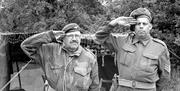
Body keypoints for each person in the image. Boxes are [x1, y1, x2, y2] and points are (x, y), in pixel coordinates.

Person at [95, 7, 171, 91]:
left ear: (150, 27)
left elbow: (164, 78)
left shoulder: (159, 47)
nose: (141, 26)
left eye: (144, 24)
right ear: (134, 27)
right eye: (138, 24)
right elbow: (99, 37)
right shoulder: (122, 41)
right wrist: (114, 23)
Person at [21, 23, 100, 91]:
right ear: (63, 38)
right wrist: (50, 35)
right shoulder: (49, 50)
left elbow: (94, 86)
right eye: (70, 36)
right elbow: (26, 46)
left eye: (77, 36)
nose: (74, 39)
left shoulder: (90, 57)